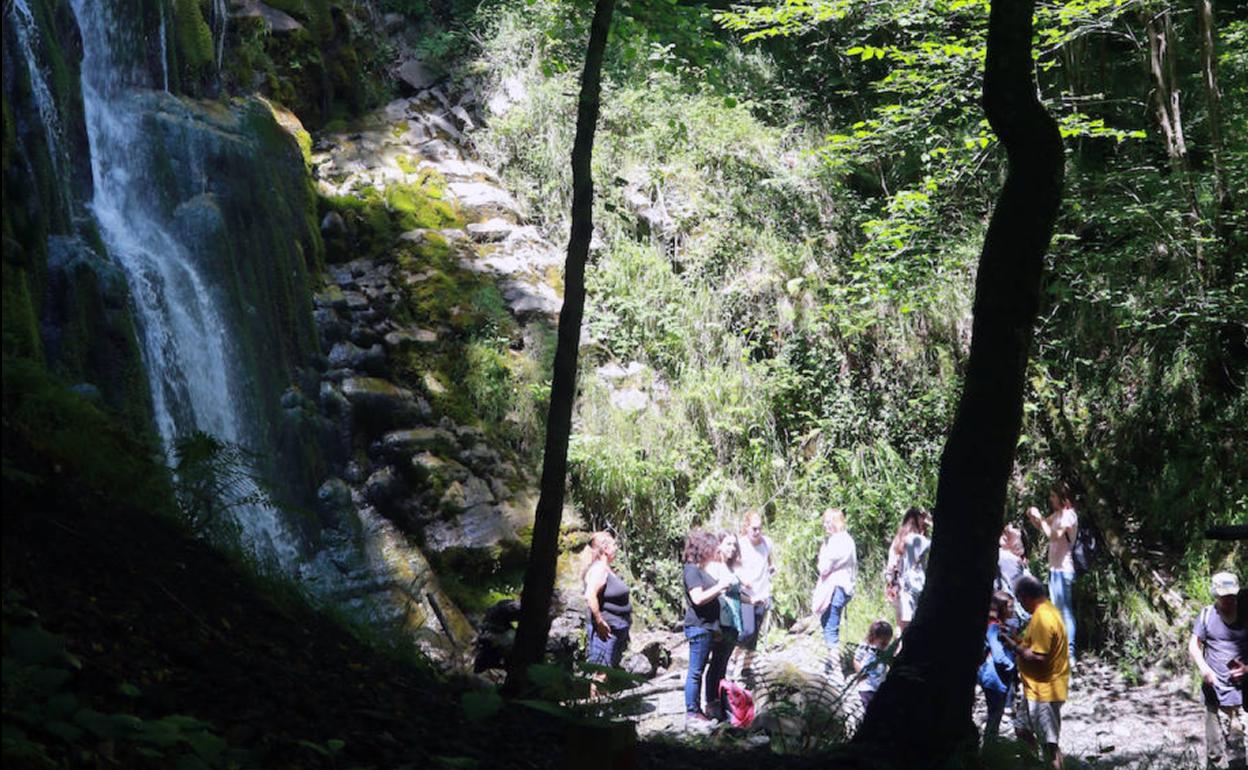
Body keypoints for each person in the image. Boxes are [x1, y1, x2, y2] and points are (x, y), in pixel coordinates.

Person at [1002, 575, 1070, 770]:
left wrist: (1012, 645)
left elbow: (1039, 657)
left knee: (1049, 743)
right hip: (1033, 688)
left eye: (1019, 600)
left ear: (1025, 597)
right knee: (1022, 728)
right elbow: (1033, 645)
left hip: (1045, 691)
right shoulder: (1047, 611)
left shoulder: (1043, 618)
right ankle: (1033, 766)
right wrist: (1015, 638)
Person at [1189, 572, 1247, 769]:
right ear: (1215, 594)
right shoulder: (1206, 615)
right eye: (1224, 596)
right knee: (1215, 749)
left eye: (1232, 596)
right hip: (1216, 691)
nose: (1229, 600)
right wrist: (1204, 669)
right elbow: (1193, 645)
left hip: (1246, 692)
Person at [683, 528, 736, 729]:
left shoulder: (700, 570)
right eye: (711, 548)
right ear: (702, 549)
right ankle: (692, 712)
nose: (715, 552)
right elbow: (697, 598)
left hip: (708, 627)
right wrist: (720, 586)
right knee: (695, 671)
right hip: (698, 626)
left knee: (702, 668)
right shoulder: (691, 570)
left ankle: (700, 710)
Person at [1026, 483, 1078, 669]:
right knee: (1058, 611)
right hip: (1054, 569)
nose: (1051, 500)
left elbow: (1053, 536)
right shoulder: (1056, 515)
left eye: (1053, 496)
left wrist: (1040, 519)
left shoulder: (1069, 516)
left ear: (1063, 498)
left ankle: (1070, 653)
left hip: (1064, 570)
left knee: (1066, 612)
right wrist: (1035, 517)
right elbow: (1043, 527)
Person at [582, 532, 631, 697]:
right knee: (601, 672)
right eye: (613, 545)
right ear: (604, 549)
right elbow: (590, 595)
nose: (616, 548)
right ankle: (597, 712)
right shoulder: (599, 569)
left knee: (606, 670)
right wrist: (599, 621)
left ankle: (603, 708)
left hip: (616, 628)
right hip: (606, 631)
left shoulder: (607, 569)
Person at [705, 531, 743, 720]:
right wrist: (715, 625)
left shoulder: (731, 569)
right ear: (718, 546)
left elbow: (737, 594)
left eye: (734, 544)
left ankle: (721, 701)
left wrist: (754, 600)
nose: (732, 548)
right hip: (721, 621)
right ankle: (711, 702)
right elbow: (711, 595)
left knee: (724, 664)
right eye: (728, 544)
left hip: (734, 622)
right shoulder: (713, 568)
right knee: (716, 663)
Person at [734, 510, 775, 675]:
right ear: (747, 527)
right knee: (747, 630)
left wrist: (771, 568)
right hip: (746, 594)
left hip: (762, 592)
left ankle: (746, 667)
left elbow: (768, 559)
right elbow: (733, 565)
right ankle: (732, 657)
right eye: (754, 529)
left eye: (759, 528)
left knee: (755, 634)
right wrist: (742, 579)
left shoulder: (767, 543)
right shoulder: (741, 544)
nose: (757, 532)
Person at [811, 507, 857, 652]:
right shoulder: (848, 539)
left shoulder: (837, 541)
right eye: (824, 522)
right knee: (829, 624)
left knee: (830, 627)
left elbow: (824, 567)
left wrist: (822, 554)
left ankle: (835, 667)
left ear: (836, 522)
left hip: (836, 588)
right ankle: (832, 664)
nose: (825, 525)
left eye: (828, 522)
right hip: (845, 587)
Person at [979, 591, 1019, 741]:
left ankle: (990, 748)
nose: (1013, 610)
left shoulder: (1000, 626)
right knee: (995, 716)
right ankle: (989, 750)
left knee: (996, 715)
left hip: (995, 677)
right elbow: (998, 656)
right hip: (994, 678)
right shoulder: (994, 627)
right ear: (1002, 608)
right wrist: (1012, 666)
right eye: (1010, 606)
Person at [887, 507, 931, 634]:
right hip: (914, 588)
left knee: (901, 626)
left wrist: (891, 582)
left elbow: (890, 567)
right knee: (911, 628)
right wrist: (930, 522)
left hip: (898, 588)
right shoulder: (917, 540)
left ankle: (896, 652)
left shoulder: (898, 539)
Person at [853, 620, 894, 712]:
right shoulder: (865, 647)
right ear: (874, 637)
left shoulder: (885, 651)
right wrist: (860, 673)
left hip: (878, 685)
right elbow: (856, 660)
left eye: (887, 643)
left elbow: (889, 663)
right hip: (866, 685)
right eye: (883, 643)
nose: (885, 646)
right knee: (867, 707)